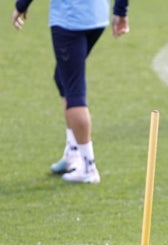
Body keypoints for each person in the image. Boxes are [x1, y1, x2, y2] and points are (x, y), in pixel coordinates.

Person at [11, 0, 130, 184]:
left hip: (70, 20)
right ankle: (73, 153)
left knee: (74, 91)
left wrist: (21, 5)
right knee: (62, 78)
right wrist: (121, 11)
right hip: (97, 17)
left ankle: (88, 167)